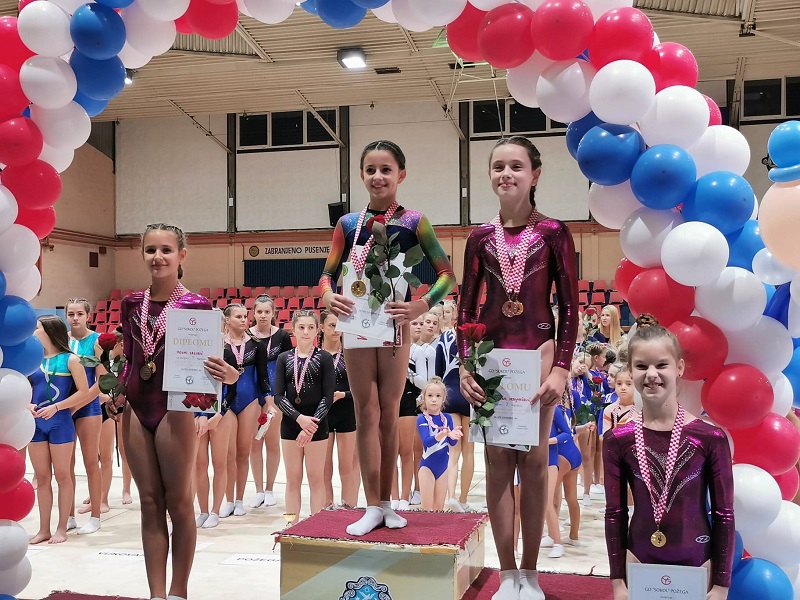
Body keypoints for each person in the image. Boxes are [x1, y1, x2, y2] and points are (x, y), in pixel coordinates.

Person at [459, 136, 579, 600]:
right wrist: (465, 367)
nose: (506, 174)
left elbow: (570, 308)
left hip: (539, 357)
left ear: (535, 174)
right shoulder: (479, 238)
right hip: (491, 359)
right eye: (498, 166)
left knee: (532, 464)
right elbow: (465, 308)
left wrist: (561, 368)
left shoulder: (553, 232)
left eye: (516, 166)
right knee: (496, 465)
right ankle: (507, 573)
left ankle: (531, 572)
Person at [320, 140, 456, 536]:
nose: (378, 176)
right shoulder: (348, 224)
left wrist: (420, 305)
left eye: (386, 169)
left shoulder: (415, 222)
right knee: (366, 411)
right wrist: (328, 297)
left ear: (401, 175)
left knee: (390, 412)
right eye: (370, 170)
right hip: (357, 326)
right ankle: (371, 507)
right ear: (361, 175)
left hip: (396, 327)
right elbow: (327, 275)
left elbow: (447, 276)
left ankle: (387, 502)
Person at [113, 223, 239, 600]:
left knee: (179, 502)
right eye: (151, 250)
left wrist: (230, 375)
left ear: (182, 255)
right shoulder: (131, 303)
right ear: (142, 253)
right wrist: (116, 389)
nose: (158, 257)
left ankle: (178, 592)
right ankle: (156, 594)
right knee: (149, 501)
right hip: (137, 408)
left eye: (166, 250)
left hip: (175, 408)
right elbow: (131, 359)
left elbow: (216, 364)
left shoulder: (195, 305)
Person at [604, 324, 734, 600]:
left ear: (679, 367)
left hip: (697, 561)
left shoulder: (709, 438)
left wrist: (721, 584)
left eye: (662, 364)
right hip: (639, 559)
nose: (651, 374)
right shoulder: (618, 439)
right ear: (631, 372)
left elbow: (724, 514)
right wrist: (617, 581)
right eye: (641, 366)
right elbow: (615, 512)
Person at [28, 316, 91, 544]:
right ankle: (44, 529)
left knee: (63, 476)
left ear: (48, 331)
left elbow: (84, 392)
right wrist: (28, 404)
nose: (32, 331)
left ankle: (62, 527)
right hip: (36, 423)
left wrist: (57, 407)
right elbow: (23, 388)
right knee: (43, 478)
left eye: (36, 328)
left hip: (60, 422)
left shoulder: (71, 359)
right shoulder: (32, 360)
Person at [274, 310, 335, 523]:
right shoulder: (284, 358)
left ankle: (315, 527)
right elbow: (278, 396)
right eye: (301, 327)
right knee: (292, 479)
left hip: (318, 425)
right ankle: (291, 523)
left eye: (310, 327)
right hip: (291, 424)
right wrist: (300, 419)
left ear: (318, 330)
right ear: (293, 329)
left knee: (316, 478)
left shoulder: (324, 358)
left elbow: (328, 397)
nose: (306, 332)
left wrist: (310, 426)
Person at [219, 303, 265, 518]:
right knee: (228, 454)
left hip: (249, 400)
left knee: (243, 452)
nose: (243, 319)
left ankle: (239, 500)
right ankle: (228, 500)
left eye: (245, 316)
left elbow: (263, 377)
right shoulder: (218, 344)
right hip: (226, 402)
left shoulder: (256, 344)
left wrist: (268, 402)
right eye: (238, 316)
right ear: (227, 320)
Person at [248, 295, 292, 509]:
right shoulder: (247, 335)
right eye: (259, 312)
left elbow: (288, 368)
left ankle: (269, 489)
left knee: (272, 441)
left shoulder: (282, 336)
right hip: (252, 392)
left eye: (267, 312)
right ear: (253, 313)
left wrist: (281, 395)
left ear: (274, 313)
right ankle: (258, 490)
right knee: (255, 442)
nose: (263, 315)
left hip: (274, 394)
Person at [65, 298, 105, 534]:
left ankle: (95, 517)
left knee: (91, 461)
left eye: (79, 314)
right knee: (66, 464)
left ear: (88, 316)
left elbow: (103, 381)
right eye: (71, 314)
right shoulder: (62, 341)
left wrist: (78, 403)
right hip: (65, 406)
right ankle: (69, 515)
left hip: (88, 407)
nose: (75, 318)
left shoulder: (97, 341)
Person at [319, 310, 360, 508]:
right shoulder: (316, 356)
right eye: (331, 325)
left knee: (347, 466)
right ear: (321, 327)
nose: (336, 330)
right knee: (324, 467)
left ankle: (349, 507)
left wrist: (344, 395)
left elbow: (362, 387)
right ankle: (327, 507)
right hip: (323, 414)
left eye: (340, 326)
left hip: (347, 412)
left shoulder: (351, 354)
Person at [434, 313, 474, 513]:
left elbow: (438, 371)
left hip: (450, 393)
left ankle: (451, 495)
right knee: (469, 451)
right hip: (470, 393)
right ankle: (463, 499)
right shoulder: (476, 337)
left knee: (453, 450)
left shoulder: (444, 338)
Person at [541, 386, 583, 559]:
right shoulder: (558, 407)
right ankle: (572, 536)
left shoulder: (554, 409)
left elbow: (567, 433)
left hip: (563, 455)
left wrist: (547, 441)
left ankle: (556, 539)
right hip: (568, 453)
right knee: (568, 497)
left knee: (547, 498)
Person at [98, 329, 134, 510]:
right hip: (105, 404)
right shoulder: (106, 362)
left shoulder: (128, 363)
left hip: (122, 406)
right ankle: (97, 489)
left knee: (124, 449)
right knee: (101, 453)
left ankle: (126, 489)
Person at [417, 377, 462, 511]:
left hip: (443, 468)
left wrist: (455, 435)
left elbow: (452, 442)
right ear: (424, 398)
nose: (434, 399)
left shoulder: (447, 418)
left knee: (439, 509)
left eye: (438, 396)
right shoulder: (422, 418)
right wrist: (444, 433)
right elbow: (427, 442)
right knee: (426, 508)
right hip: (427, 467)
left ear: (444, 399)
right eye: (430, 396)